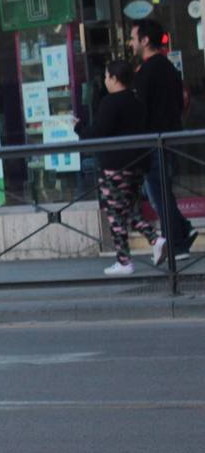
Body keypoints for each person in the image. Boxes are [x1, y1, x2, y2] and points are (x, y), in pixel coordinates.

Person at [83, 60, 161, 275]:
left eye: (107, 76)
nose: (105, 81)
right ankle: (131, 255)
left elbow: (99, 133)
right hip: (137, 164)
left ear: (115, 78)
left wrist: (78, 127)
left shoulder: (111, 103)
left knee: (117, 212)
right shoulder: (137, 101)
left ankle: (142, 248)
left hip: (114, 167)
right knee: (127, 209)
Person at [130, 18, 197, 262]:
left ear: (145, 40)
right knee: (162, 190)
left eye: (133, 37)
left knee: (158, 193)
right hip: (170, 136)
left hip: (153, 140)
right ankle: (182, 231)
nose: (130, 43)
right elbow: (181, 102)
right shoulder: (169, 68)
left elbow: (139, 110)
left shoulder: (146, 72)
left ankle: (176, 244)